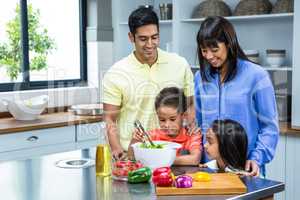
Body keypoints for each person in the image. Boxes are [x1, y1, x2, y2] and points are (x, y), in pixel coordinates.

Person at [103, 7, 195, 160]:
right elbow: (109, 118)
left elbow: (190, 104)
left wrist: (191, 132)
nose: (150, 44)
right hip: (133, 155)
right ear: (131, 37)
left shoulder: (180, 64)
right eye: (143, 39)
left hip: (173, 155)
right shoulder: (116, 73)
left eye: (155, 37)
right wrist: (116, 148)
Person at [194, 16, 279, 177]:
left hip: (244, 168)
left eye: (214, 49)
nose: (209, 56)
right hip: (209, 167)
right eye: (204, 50)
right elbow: (198, 123)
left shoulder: (257, 76)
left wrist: (256, 158)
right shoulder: (200, 77)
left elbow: (269, 127)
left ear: (229, 43)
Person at [129, 87, 202, 165]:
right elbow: (132, 157)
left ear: (183, 116)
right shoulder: (152, 136)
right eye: (162, 120)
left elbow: (195, 159)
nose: (167, 125)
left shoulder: (191, 135)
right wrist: (135, 141)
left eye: (172, 119)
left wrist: (159, 159)